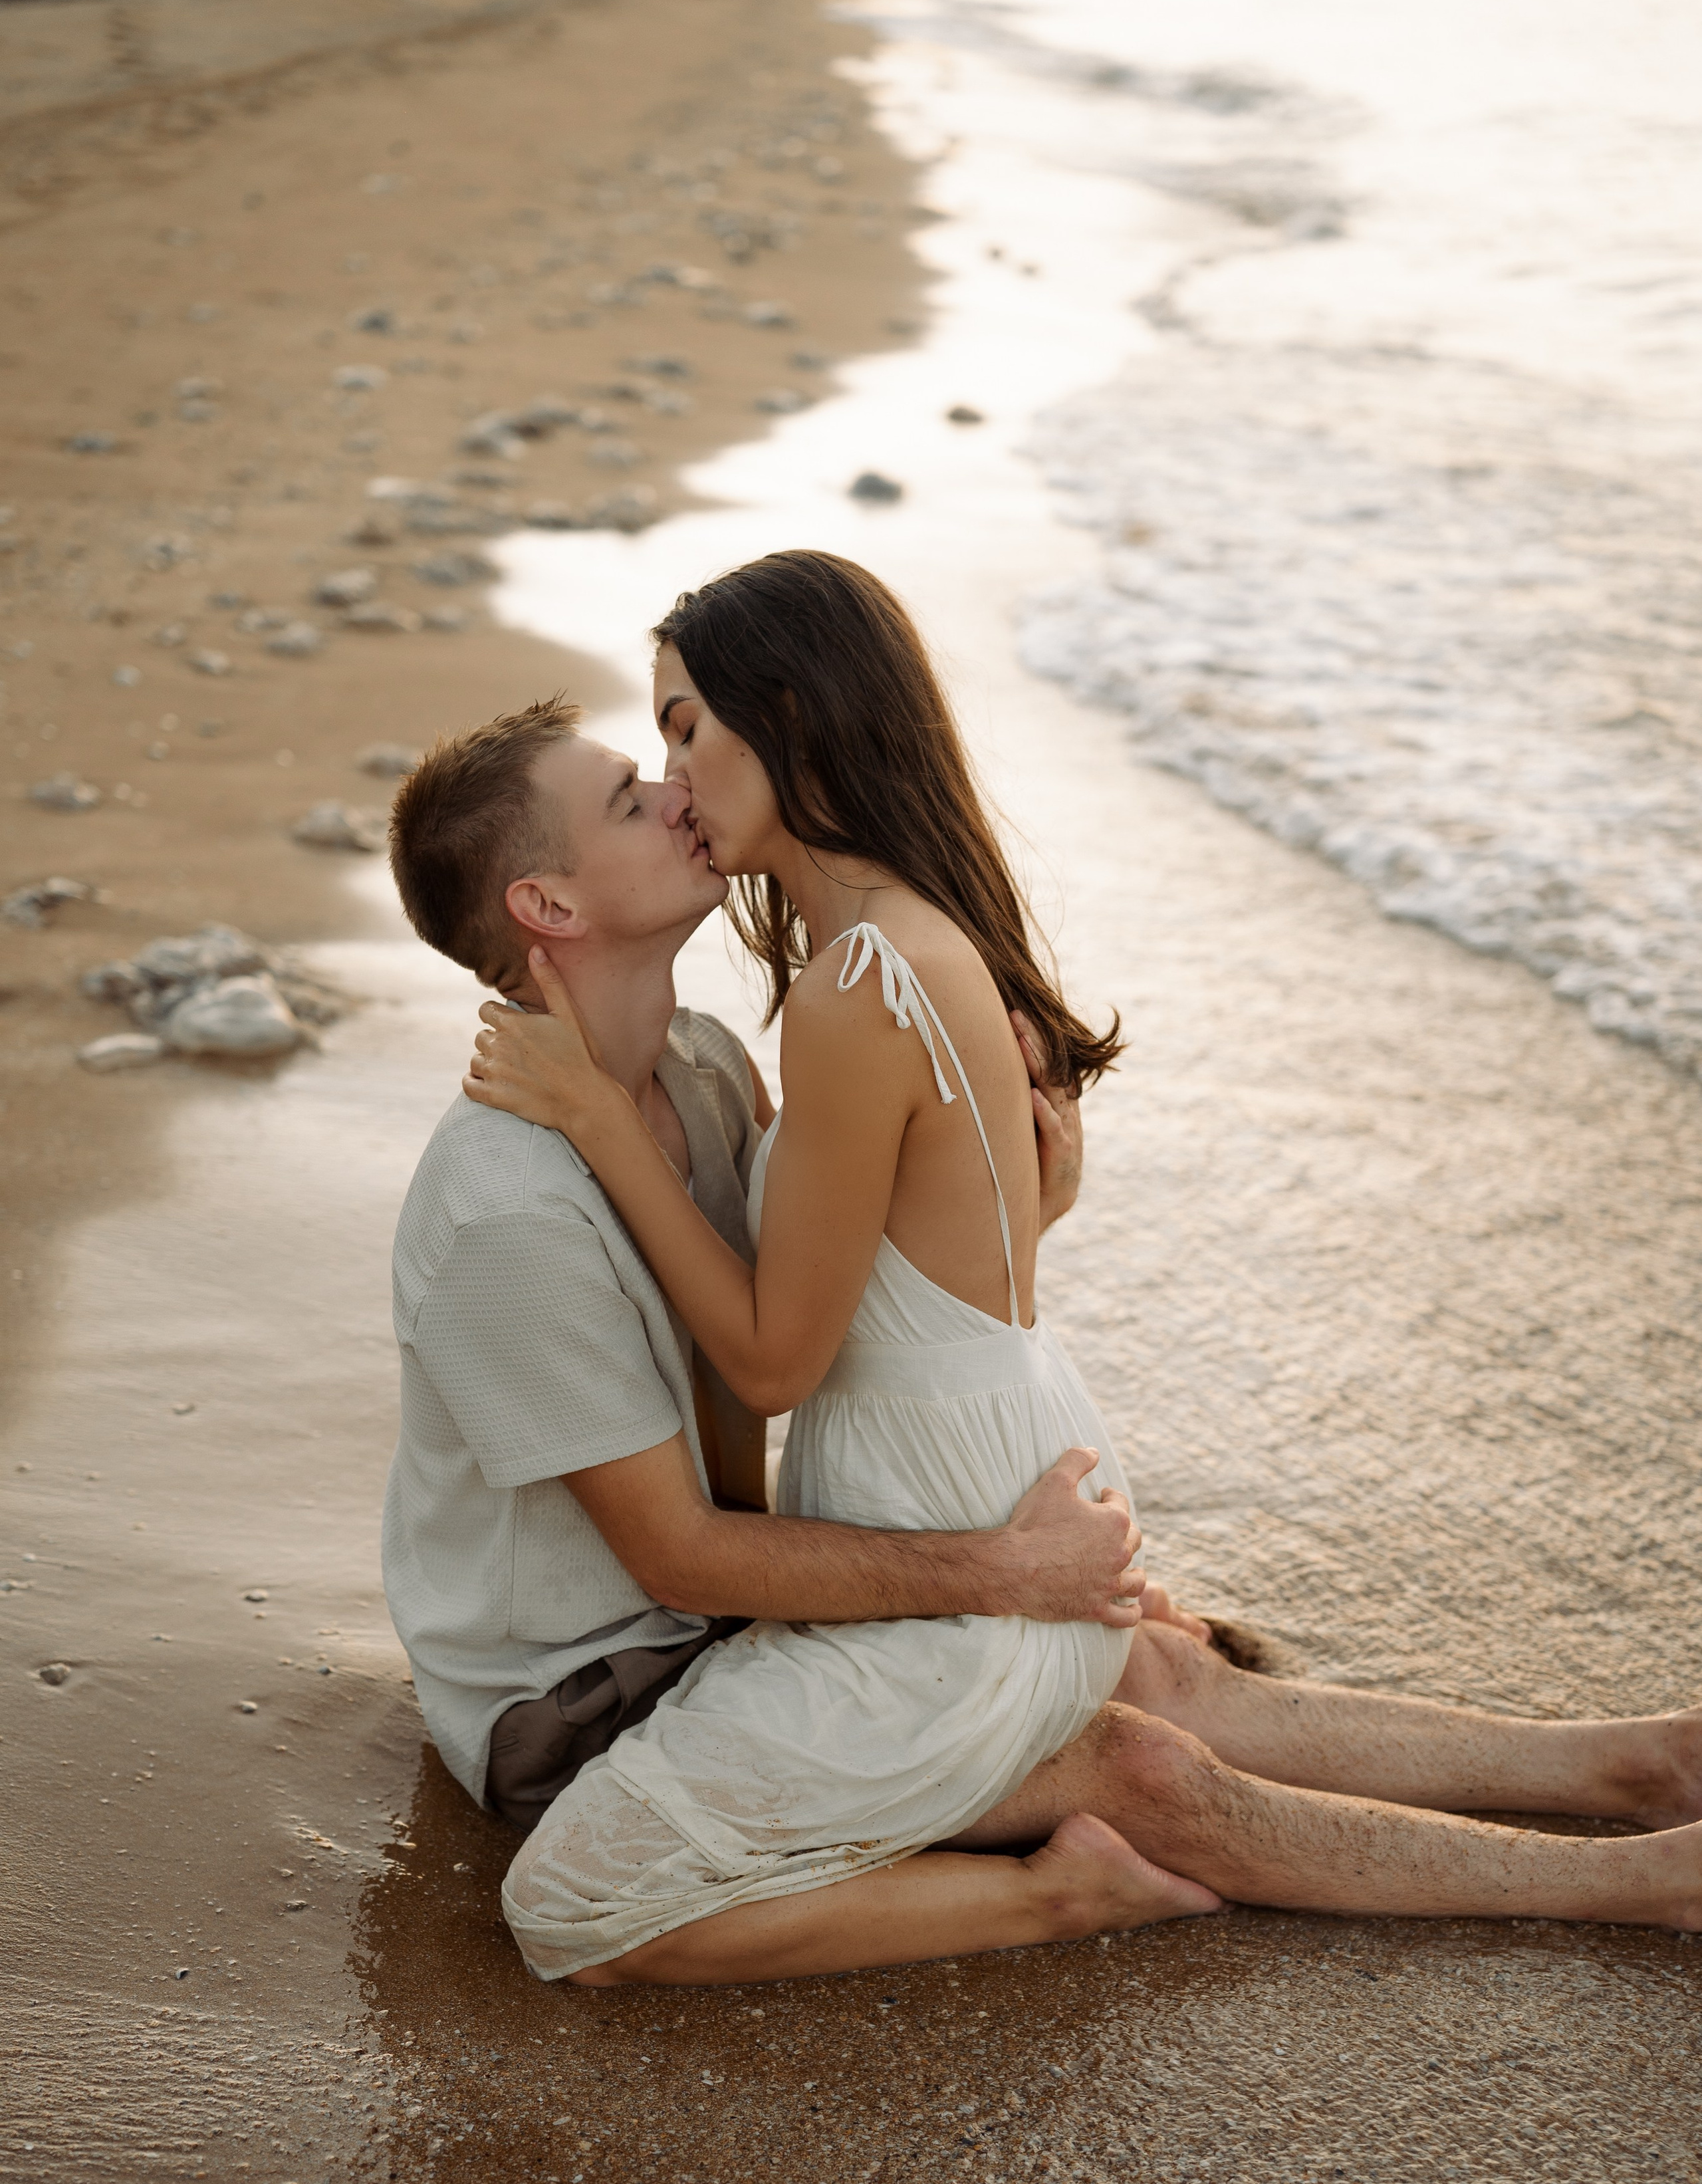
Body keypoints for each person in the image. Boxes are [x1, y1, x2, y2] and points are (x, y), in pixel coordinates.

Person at [465, 550, 1702, 1983]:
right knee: (1159, 1706)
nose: (672, 778)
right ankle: (1639, 1772)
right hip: (1011, 1456)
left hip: (951, 1529)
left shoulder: (848, 991)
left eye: (684, 727)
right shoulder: (910, 944)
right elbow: (951, 1247)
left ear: (787, 712)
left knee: (570, 1902)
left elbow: (769, 1362)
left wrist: (593, 1122)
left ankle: (1637, 1880)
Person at [382, 692, 1171, 1840]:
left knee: (1156, 1677)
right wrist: (1002, 1573)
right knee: (1132, 1762)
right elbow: (682, 1562)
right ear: (548, 903)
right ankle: (1066, 1892)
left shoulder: (702, 1071)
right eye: (629, 798)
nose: (677, 792)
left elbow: (798, 1322)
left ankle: (1546, 1770)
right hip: (584, 1701)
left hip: (725, 1620)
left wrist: (1029, 1216)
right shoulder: (503, 1212)